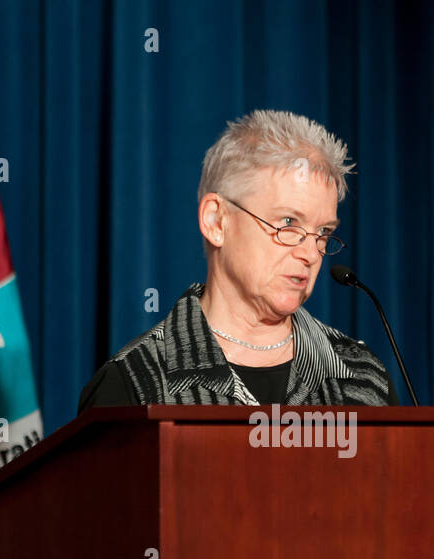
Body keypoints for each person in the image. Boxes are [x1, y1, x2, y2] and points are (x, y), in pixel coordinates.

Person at [78, 109, 399, 410]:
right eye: (288, 222)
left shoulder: (362, 378)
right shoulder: (135, 386)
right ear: (216, 221)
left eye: (323, 231)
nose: (310, 252)